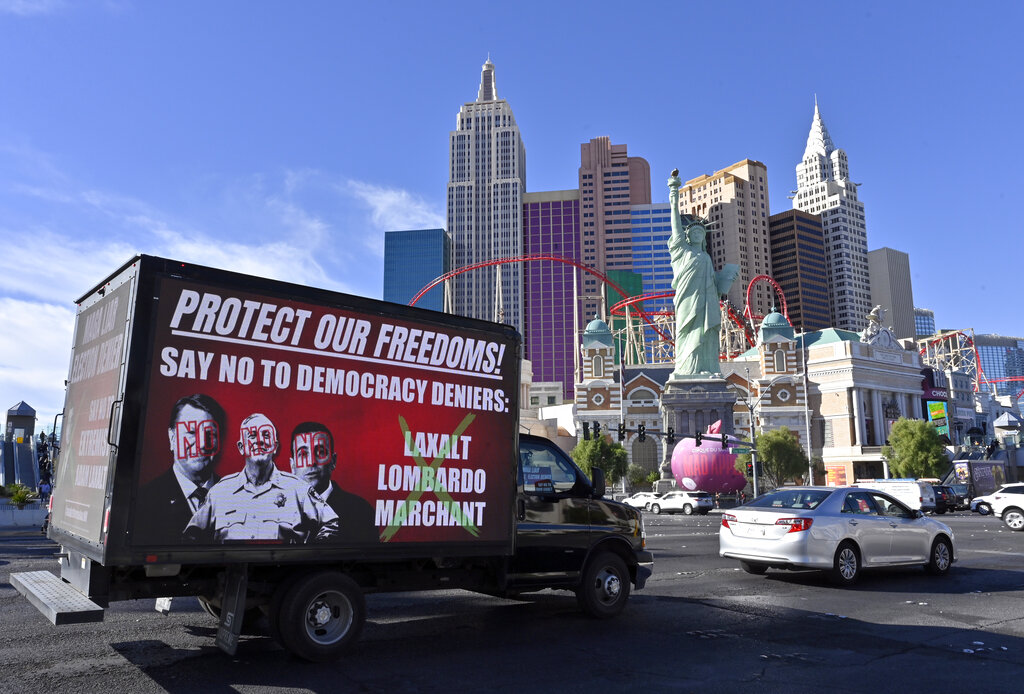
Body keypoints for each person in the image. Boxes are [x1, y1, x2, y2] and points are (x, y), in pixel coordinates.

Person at [185, 413, 338, 543]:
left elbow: (331, 523)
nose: (259, 440)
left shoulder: (298, 489)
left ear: (275, 445)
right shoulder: (219, 493)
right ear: (241, 447)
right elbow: (191, 535)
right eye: (252, 436)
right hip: (231, 574)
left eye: (266, 435)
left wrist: (308, 555)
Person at [667, 169, 739, 378]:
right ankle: (686, 370)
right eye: (694, 232)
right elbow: (675, 225)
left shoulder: (706, 258)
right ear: (688, 236)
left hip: (707, 302)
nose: (698, 233)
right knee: (687, 335)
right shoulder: (682, 251)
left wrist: (725, 280)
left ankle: (709, 369)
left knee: (707, 336)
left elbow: (715, 287)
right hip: (688, 302)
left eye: (701, 232)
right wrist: (674, 192)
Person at [136, 393, 225, 543]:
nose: (202, 444)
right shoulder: (144, 501)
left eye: (210, 433)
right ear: (172, 438)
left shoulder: (236, 496)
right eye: (191, 432)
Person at [290, 421, 378, 543]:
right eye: (303, 454)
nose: (311, 462)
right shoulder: (278, 511)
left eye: (320, 452)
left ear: (333, 461)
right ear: (292, 466)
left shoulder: (361, 511)